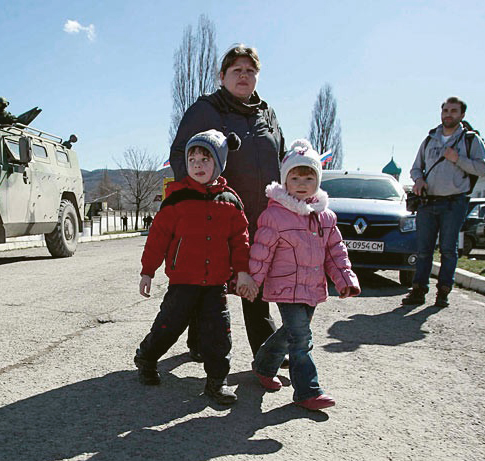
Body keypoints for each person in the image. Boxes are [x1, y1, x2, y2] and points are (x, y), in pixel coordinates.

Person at [170, 44, 285, 364]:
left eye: (250, 71)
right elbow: (180, 153)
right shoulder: (205, 109)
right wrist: (196, 195)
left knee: (255, 282)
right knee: (206, 283)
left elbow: (281, 156)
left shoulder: (267, 113)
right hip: (216, 213)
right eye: (237, 70)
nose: (244, 76)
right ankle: (196, 340)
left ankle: (266, 353)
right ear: (222, 76)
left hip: (262, 215)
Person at [135, 130, 257, 405]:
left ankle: (216, 382)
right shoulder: (177, 199)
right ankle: (147, 357)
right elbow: (157, 238)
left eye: (206, 158)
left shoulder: (230, 201)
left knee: (218, 334)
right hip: (183, 283)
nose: (198, 164)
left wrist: (243, 271)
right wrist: (147, 271)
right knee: (168, 326)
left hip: (215, 284)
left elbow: (241, 241)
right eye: (193, 159)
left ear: (219, 163)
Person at [248, 139, 360, 411]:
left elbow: (335, 251)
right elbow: (261, 251)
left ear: (318, 181)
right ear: (285, 180)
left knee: (290, 334)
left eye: (309, 177)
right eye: (295, 176)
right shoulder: (275, 216)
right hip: (286, 288)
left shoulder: (326, 218)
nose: (301, 182)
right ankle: (307, 391)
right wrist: (253, 281)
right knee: (301, 338)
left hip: (311, 288)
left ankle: (263, 365)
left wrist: (345, 279)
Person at [403, 97, 485, 307]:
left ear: (462, 115)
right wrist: (419, 180)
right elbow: (415, 168)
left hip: (454, 203)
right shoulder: (430, 139)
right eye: (445, 110)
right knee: (423, 249)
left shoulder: (470, 140)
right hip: (428, 202)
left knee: (448, 249)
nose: (448, 114)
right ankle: (418, 290)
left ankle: (443, 292)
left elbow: (482, 168)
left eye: (453, 111)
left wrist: (457, 159)